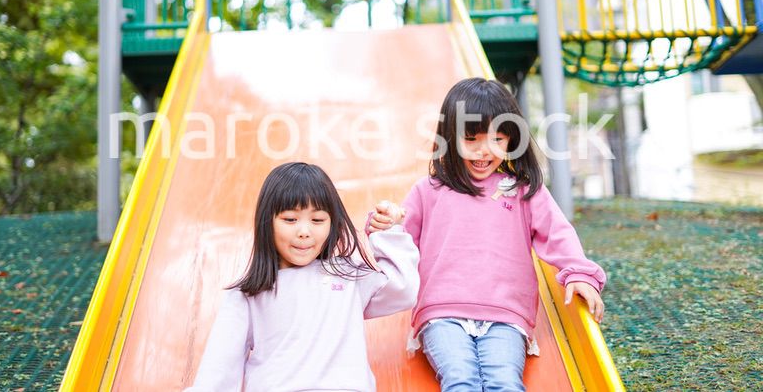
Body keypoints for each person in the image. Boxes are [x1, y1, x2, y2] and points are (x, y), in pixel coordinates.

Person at [367, 77, 606, 392]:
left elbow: (557, 233)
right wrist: (386, 222)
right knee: (460, 380)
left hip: (505, 314)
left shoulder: (523, 191)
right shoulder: (430, 191)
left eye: (498, 139)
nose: (484, 151)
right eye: (471, 138)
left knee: (505, 382)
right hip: (443, 311)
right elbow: (400, 241)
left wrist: (579, 273)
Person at [185, 162, 419, 392]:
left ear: (332, 224)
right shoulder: (248, 293)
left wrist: (388, 232)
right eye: (290, 220)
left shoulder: (347, 276)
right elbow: (219, 369)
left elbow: (403, 289)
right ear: (267, 222)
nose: (304, 231)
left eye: (317, 220)